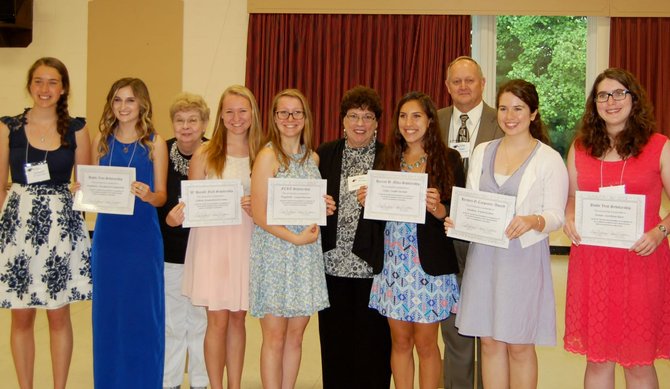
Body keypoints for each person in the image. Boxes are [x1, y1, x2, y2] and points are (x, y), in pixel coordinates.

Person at [447, 79, 567, 389]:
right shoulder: (483, 151)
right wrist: (457, 221)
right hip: (484, 258)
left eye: (518, 108)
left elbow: (556, 215)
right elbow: (471, 201)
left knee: (519, 344)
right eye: (503, 108)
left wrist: (533, 220)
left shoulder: (548, 159)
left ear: (533, 113)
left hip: (522, 261)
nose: (509, 116)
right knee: (488, 341)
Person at [563, 68, 670, 389]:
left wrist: (660, 231)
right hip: (593, 265)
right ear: (594, 103)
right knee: (597, 360)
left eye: (619, 93)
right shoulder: (580, 147)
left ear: (634, 99)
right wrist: (569, 216)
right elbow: (570, 196)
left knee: (637, 363)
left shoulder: (659, 146)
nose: (611, 101)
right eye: (602, 95)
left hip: (642, 261)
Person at [359, 91, 463, 389]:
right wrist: (369, 201)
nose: (409, 122)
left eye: (416, 115)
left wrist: (439, 208)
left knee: (427, 344)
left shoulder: (448, 159)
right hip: (393, 266)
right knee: (400, 342)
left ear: (430, 120)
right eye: (403, 116)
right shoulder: (387, 157)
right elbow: (378, 217)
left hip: (427, 266)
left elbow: (455, 212)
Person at [0, 57, 92, 389]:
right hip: (18, 230)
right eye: (39, 81)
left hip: (60, 231)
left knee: (58, 314)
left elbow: (87, 187)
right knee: (21, 315)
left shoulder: (78, 129)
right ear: (29, 85)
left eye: (53, 82)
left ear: (63, 87)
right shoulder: (7, 127)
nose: (45, 89)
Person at [249, 88, 335, 389]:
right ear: (274, 117)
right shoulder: (267, 156)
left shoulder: (312, 158)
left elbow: (311, 206)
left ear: (305, 118)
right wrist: (294, 238)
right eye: (283, 112)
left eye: (296, 112)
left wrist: (324, 207)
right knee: (274, 337)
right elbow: (258, 213)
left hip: (304, 257)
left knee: (296, 335)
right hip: (275, 253)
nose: (290, 118)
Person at [178, 85, 262, 389]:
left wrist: (258, 206)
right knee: (217, 320)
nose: (236, 117)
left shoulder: (262, 153)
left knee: (238, 318)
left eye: (242, 110)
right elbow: (191, 204)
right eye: (229, 111)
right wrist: (179, 213)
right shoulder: (204, 153)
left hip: (245, 241)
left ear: (252, 113)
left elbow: (271, 203)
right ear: (221, 116)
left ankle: (234, 385)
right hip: (211, 245)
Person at [91, 77, 168, 388]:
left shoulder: (155, 142)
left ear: (142, 105)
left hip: (142, 239)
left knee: (142, 314)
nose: (123, 107)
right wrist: (80, 189)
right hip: (107, 239)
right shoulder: (101, 140)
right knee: (108, 315)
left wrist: (148, 195)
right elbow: (88, 186)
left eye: (130, 100)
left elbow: (162, 195)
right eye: (117, 100)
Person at [316, 86, 391, 389]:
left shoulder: (389, 156)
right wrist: (317, 204)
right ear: (342, 120)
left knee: (373, 343)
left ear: (377, 123)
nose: (360, 123)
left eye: (368, 117)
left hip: (372, 264)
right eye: (353, 116)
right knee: (335, 342)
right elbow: (307, 198)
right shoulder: (324, 154)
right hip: (331, 262)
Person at [437, 55, 503, 389]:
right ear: (447, 86)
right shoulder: (434, 120)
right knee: (455, 331)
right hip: (444, 238)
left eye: (470, 80)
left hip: (489, 241)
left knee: (490, 332)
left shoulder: (504, 120)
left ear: (482, 83)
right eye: (457, 81)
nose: (463, 87)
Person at [158, 93, 210, 389]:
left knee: (202, 323)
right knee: (173, 323)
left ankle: (201, 382)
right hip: (171, 250)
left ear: (204, 124)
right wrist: (167, 218)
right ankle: (171, 381)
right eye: (180, 120)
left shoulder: (217, 152)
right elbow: (154, 197)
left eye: (193, 120)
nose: (186, 126)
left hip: (206, 251)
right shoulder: (160, 151)